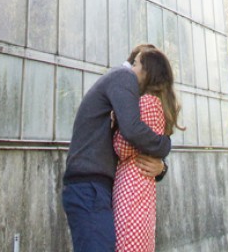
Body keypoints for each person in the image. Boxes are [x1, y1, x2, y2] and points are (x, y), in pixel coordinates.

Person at [62, 44, 171, 252]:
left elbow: (132, 147)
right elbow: (132, 131)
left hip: (94, 187)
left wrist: (162, 167)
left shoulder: (120, 84)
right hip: (88, 186)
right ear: (143, 66)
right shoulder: (124, 76)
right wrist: (164, 145)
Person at [112, 48, 180, 252]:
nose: (131, 68)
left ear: (147, 72)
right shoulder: (158, 103)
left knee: (126, 242)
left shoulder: (145, 103)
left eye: (136, 64)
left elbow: (123, 148)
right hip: (142, 183)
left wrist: (116, 123)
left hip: (131, 183)